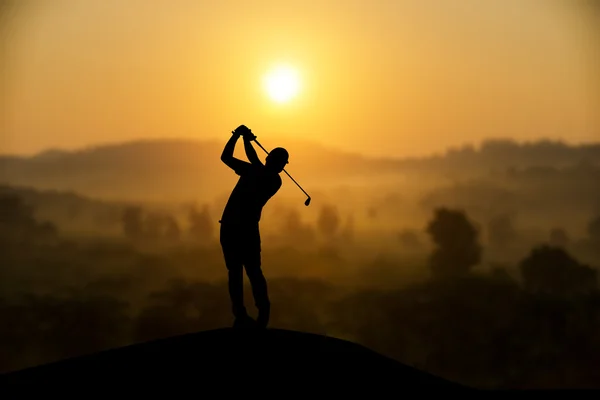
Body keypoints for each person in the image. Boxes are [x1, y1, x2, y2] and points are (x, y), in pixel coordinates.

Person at [219, 125, 289, 328]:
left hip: (240, 229)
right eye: (280, 162)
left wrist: (242, 137)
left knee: (249, 271)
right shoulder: (258, 172)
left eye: (281, 163)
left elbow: (252, 161)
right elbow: (226, 157)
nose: (280, 166)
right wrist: (239, 137)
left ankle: (261, 312)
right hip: (236, 228)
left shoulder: (272, 180)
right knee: (240, 272)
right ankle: (243, 314)